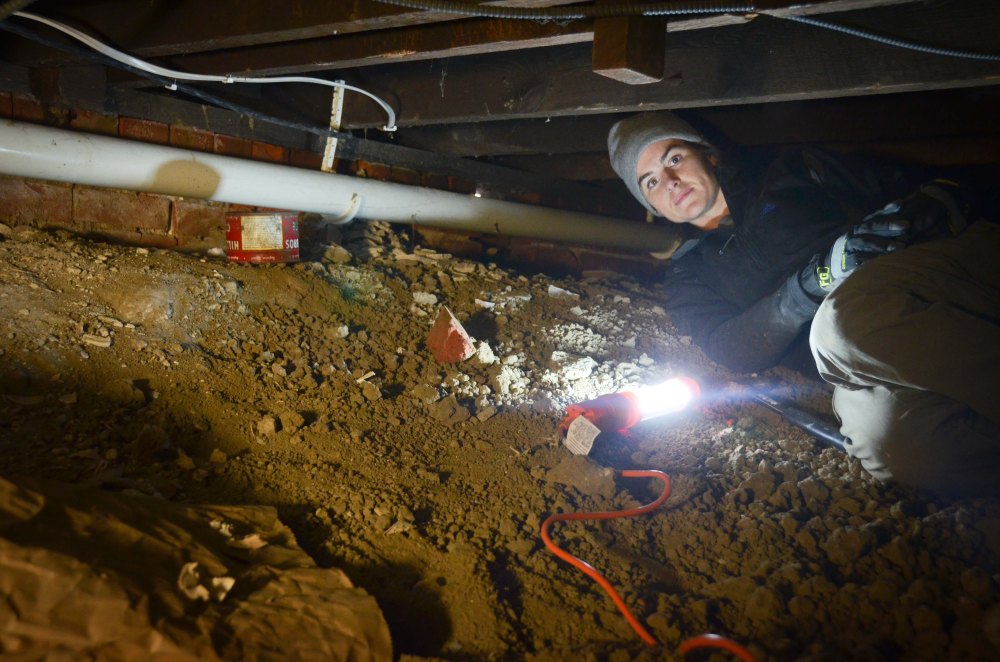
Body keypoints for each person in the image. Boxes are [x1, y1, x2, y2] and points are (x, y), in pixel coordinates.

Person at [607, 111, 1000, 495]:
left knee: (843, 321)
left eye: (674, 159)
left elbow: (943, 188)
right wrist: (813, 283)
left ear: (708, 154)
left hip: (938, 286)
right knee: (884, 440)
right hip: (861, 365)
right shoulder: (688, 276)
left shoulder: (791, 170)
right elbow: (730, 347)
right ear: (653, 207)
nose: (671, 182)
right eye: (652, 182)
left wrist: (922, 212)